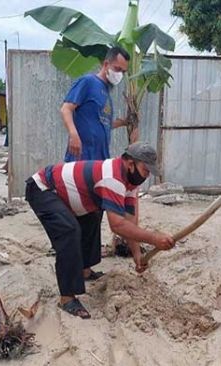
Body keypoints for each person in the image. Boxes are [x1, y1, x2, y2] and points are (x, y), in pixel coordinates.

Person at [25, 142, 175, 319]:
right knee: (69, 231)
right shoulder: (112, 178)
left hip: (70, 196)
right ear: (130, 163)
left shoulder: (131, 182)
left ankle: (84, 271)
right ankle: (67, 298)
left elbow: (130, 221)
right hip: (44, 189)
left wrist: (137, 255)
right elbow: (117, 225)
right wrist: (154, 238)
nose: (147, 175)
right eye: (145, 170)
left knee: (94, 214)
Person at [60, 46, 136, 275]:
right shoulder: (87, 83)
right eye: (116, 68)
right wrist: (73, 134)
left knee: (94, 216)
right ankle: (73, 268)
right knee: (76, 216)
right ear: (105, 64)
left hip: (100, 165)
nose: (119, 74)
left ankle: (86, 268)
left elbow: (101, 123)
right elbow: (66, 108)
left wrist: (123, 123)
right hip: (81, 162)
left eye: (123, 71)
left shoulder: (107, 94)